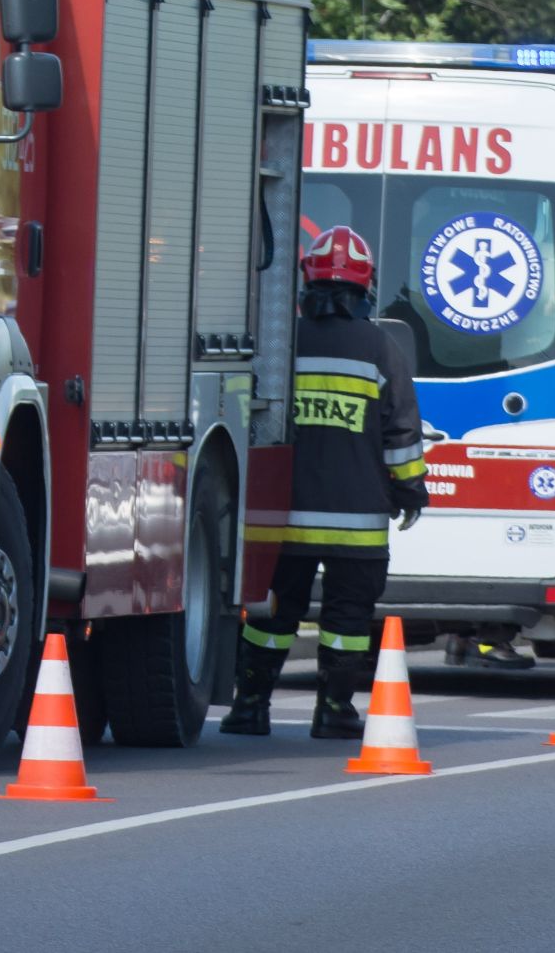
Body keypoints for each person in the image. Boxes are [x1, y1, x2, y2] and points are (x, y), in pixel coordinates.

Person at [224, 226, 432, 739]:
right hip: (355, 524)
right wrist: (410, 491)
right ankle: (333, 711)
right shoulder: (382, 350)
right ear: (365, 288)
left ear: (307, 284)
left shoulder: (279, 347)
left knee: (271, 617)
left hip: (282, 520)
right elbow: (401, 435)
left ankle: (250, 707)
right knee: (346, 622)